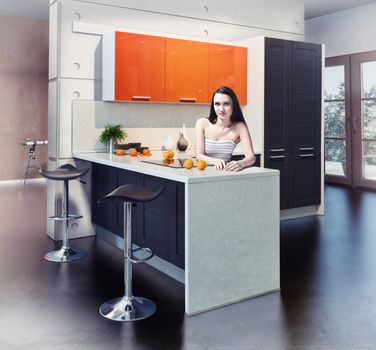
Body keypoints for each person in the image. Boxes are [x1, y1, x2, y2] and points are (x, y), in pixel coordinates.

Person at [195, 86, 256, 171]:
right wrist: (215, 161)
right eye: (217, 104)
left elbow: (251, 157)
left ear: (233, 106)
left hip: (225, 173)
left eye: (226, 104)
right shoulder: (202, 123)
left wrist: (240, 163)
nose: (221, 109)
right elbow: (199, 155)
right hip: (204, 173)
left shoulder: (239, 127)